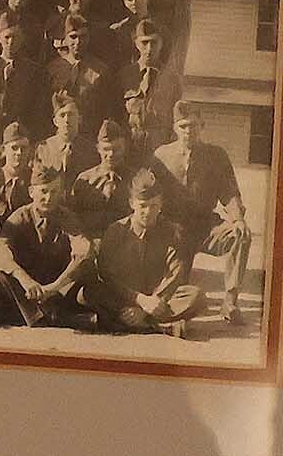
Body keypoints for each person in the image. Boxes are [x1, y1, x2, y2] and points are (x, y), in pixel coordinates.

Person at [153, 100, 251, 324]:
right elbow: (151, 193)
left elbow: (229, 192)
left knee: (240, 236)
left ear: (202, 126)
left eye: (194, 126)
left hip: (206, 226)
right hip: (174, 231)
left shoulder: (216, 155)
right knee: (177, 291)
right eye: (183, 126)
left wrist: (238, 219)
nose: (189, 131)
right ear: (175, 128)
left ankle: (230, 300)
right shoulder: (161, 155)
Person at [83, 168, 205, 337]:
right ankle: (160, 327)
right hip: (124, 296)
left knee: (196, 296)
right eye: (142, 205)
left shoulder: (172, 232)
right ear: (132, 203)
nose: (148, 212)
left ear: (161, 205)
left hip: (158, 299)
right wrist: (138, 299)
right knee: (90, 292)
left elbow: (175, 275)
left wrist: (148, 308)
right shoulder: (116, 230)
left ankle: (128, 323)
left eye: (154, 205)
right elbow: (107, 274)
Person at [0, 164, 96, 329]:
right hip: (28, 290)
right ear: (31, 192)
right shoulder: (20, 216)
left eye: (54, 192)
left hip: (57, 285)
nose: (49, 198)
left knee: (86, 265)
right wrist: (24, 279)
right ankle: (43, 318)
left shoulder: (67, 217)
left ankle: (42, 315)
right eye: (44, 191)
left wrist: (55, 287)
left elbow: (83, 251)